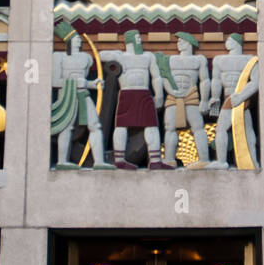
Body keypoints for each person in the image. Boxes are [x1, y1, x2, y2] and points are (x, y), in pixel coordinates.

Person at [100, 30, 174, 170]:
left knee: (152, 127)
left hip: (144, 94)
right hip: (127, 94)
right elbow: (101, 55)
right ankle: (119, 160)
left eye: (140, 37)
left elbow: (156, 77)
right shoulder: (120, 56)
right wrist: (116, 54)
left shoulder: (148, 56)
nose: (139, 40)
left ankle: (155, 161)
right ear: (129, 40)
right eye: (137, 37)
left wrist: (159, 95)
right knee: (121, 126)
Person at [50, 23, 115, 169]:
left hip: (83, 94)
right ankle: (62, 161)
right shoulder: (59, 57)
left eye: (79, 38)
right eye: (75, 37)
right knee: (67, 128)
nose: (79, 40)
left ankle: (98, 161)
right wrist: (81, 82)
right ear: (68, 40)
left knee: (95, 125)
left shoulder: (86, 58)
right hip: (67, 96)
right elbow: (55, 81)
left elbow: (84, 82)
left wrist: (94, 84)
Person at [208, 34, 259, 169]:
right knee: (224, 129)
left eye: (230, 40)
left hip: (241, 99)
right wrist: (215, 97)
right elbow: (216, 80)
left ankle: (251, 161)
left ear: (237, 42)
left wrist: (241, 96)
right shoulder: (219, 60)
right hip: (228, 97)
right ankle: (223, 161)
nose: (227, 42)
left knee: (244, 131)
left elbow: (256, 82)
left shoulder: (250, 60)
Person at [161, 33, 211, 168]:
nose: (178, 43)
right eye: (177, 41)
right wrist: (171, 91)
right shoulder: (170, 59)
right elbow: (164, 78)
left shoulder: (199, 59)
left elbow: (205, 81)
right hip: (173, 96)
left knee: (198, 127)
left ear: (189, 43)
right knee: (169, 127)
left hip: (191, 96)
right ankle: (169, 159)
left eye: (181, 41)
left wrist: (205, 100)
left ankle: (204, 159)